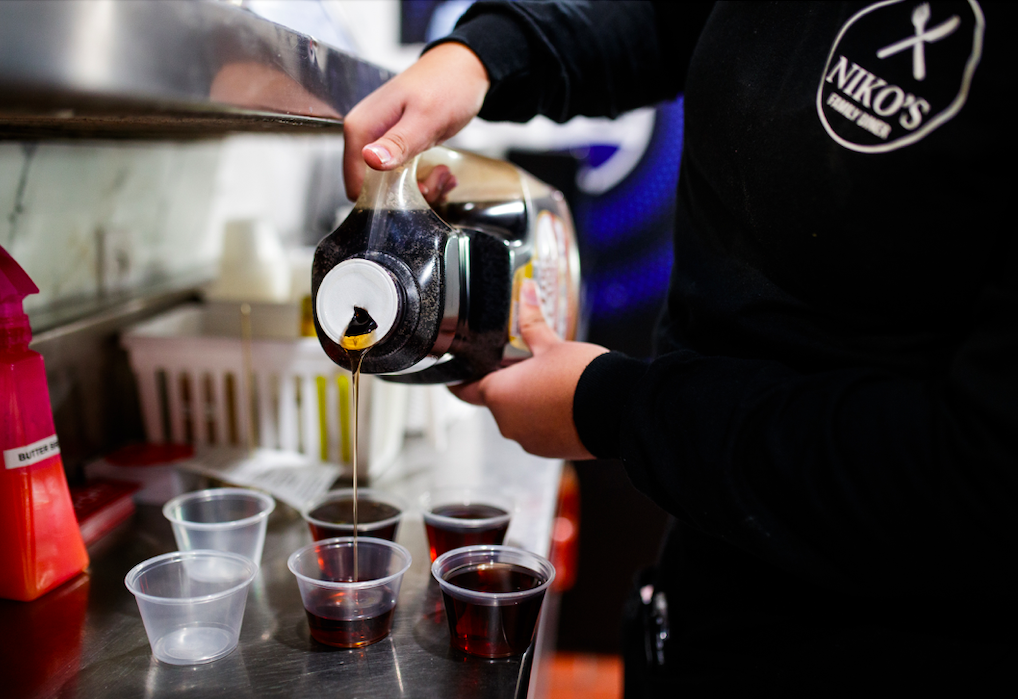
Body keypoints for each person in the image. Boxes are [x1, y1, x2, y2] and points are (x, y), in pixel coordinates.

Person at [342, 1, 1017, 694]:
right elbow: (668, 19)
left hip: (895, 643)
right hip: (705, 583)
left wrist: (612, 408)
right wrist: (486, 55)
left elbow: (982, 483)